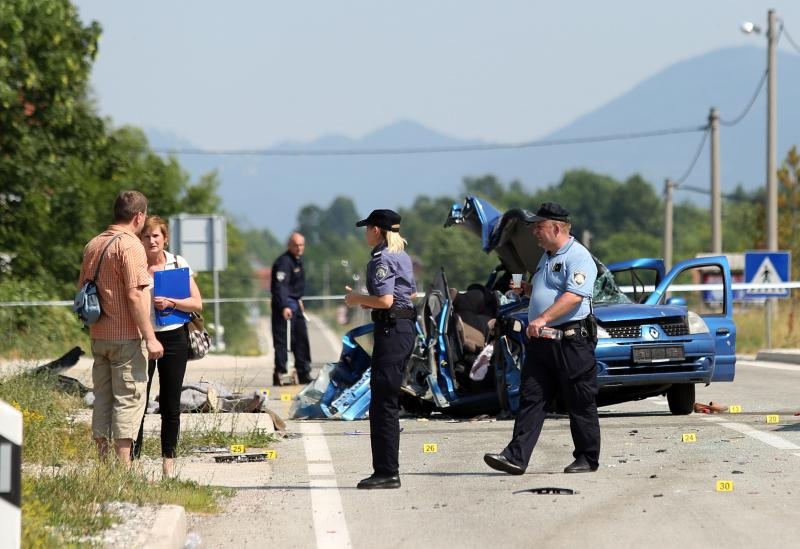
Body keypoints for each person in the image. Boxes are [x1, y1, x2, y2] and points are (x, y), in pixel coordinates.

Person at [483, 202, 601, 475]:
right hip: (543, 343)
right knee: (531, 398)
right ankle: (515, 457)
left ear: (556, 228)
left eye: (539, 226)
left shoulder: (579, 257)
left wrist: (542, 318)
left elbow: (573, 296)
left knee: (579, 401)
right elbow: (546, 289)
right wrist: (525, 290)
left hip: (571, 342)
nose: (535, 232)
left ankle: (587, 458)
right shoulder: (547, 257)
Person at [77, 190, 164, 467]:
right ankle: (124, 470)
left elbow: (82, 289)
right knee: (129, 398)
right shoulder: (130, 246)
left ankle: (103, 466)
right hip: (126, 337)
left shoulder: (93, 244)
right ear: (139, 216)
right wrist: (150, 338)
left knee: (102, 397)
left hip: (99, 335)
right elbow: (136, 295)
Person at [344, 209, 417, 489]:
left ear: (377, 230)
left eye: (367, 229)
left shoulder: (382, 258)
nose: (365, 234)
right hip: (403, 328)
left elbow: (386, 300)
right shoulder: (402, 254)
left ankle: (387, 472)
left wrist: (355, 298)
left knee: (383, 402)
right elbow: (406, 294)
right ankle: (387, 469)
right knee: (386, 398)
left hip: (391, 330)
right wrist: (369, 301)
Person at [133, 215, 203, 478]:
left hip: (175, 337)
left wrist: (172, 302)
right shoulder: (136, 264)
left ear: (165, 238)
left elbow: (197, 303)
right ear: (140, 239)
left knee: (171, 403)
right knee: (139, 400)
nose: (151, 241)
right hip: (144, 337)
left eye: (156, 236)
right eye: (146, 236)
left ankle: (168, 462)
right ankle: (134, 461)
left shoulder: (177, 263)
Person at [270, 232, 312, 386]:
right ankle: (280, 372)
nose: (299, 248)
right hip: (284, 305)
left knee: (301, 338)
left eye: (301, 245)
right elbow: (280, 287)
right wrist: (284, 306)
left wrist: (298, 300)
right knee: (283, 340)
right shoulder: (284, 263)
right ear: (289, 245)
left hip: (295, 303)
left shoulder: (298, 261)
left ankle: (303, 371)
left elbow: (295, 286)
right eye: (296, 245)